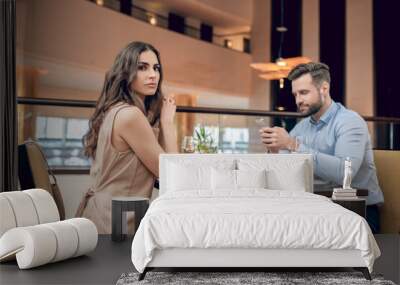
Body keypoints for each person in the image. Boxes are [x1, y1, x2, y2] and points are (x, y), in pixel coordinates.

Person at [259, 62, 384, 233]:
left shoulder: (349, 122)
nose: (298, 100)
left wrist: (292, 144)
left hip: (357, 211)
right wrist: (276, 151)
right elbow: (288, 169)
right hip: (316, 207)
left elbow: (344, 173)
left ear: (324, 89)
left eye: (303, 93)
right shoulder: (302, 126)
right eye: (295, 94)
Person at [76, 41, 178, 234]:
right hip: (115, 223)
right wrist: (168, 122)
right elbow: (172, 175)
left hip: (104, 215)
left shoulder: (115, 110)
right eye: (142, 68)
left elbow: (159, 161)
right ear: (126, 73)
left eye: (156, 68)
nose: (153, 75)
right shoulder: (131, 116)